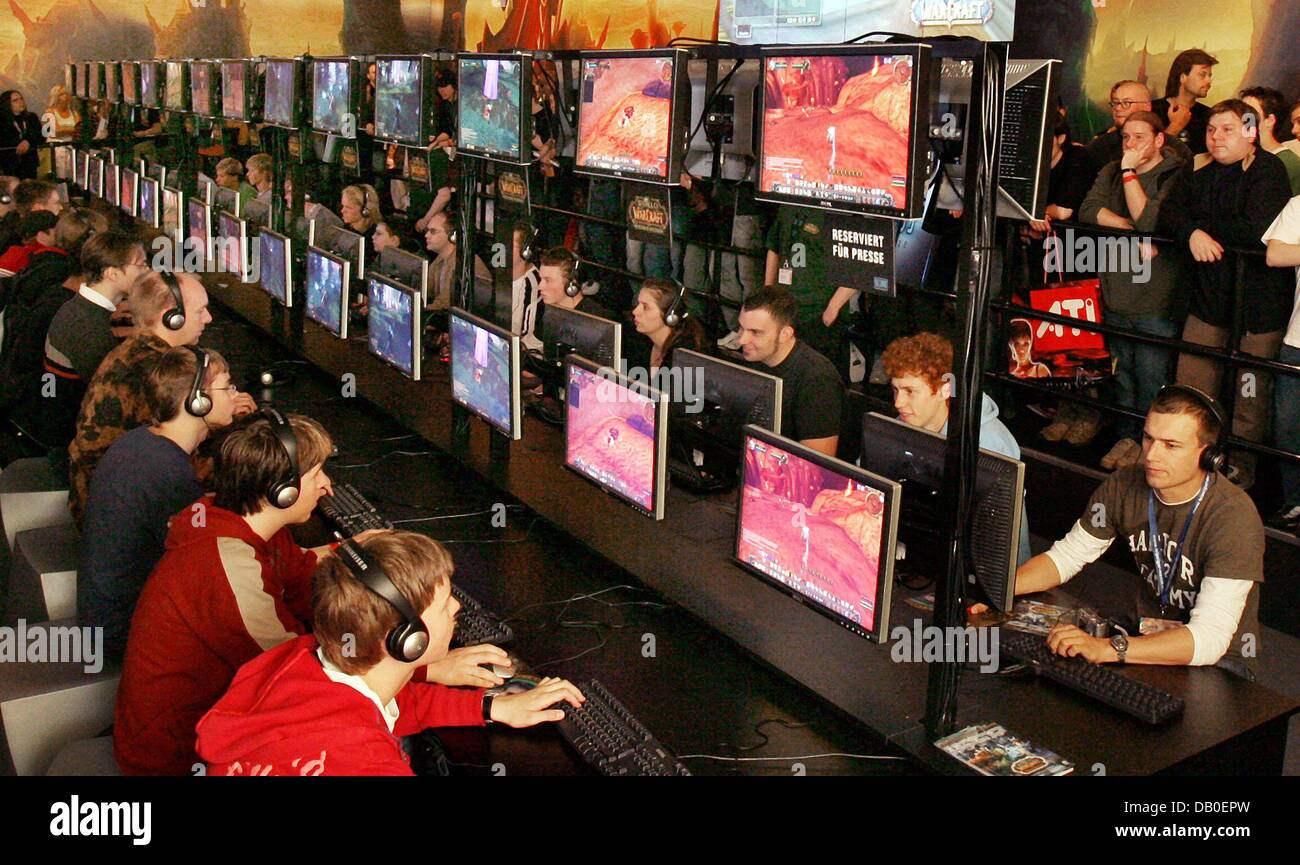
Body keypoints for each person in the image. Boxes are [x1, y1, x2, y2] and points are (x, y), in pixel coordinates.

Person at [194, 531, 585, 776]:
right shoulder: (366, 763)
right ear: (406, 639)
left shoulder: (296, 660)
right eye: (445, 602)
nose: (456, 610)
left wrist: (489, 708)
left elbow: (388, 702)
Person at [987, 387, 1263, 680]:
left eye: (1171, 445)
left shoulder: (1233, 517)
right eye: (1148, 438)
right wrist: (996, 589)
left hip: (1219, 662)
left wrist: (1109, 649)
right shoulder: (1124, 484)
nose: (1151, 456)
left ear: (1209, 457)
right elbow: (1066, 557)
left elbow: (1210, 639)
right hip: (1141, 635)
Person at [1159, 99, 1292, 490]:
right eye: (1212, 129)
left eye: (1228, 129)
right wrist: (1191, 234)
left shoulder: (1269, 170)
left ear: (1251, 133)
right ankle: (1188, 462)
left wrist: (1198, 227)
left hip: (1257, 310)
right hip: (1206, 302)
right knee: (1193, 387)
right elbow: (1169, 214)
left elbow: (1256, 229)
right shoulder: (1198, 169)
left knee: (1248, 395)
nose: (1217, 137)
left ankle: (1241, 473)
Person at [79, 346, 239, 662]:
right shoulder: (170, 474)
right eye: (227, 387)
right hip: (121, 632)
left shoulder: (141, 442)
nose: (235, 394)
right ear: (197, 401)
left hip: (100, 615)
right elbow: (202, 577)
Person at [67, 270, 245, 527]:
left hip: (105, 500)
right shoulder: (153, 373)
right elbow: (175, 465)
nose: (208, 318)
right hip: (115, 518)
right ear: (172, 318)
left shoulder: (138, 351)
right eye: (200, 311)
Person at [1079, 111, 1189, 471]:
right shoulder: (1110, 169)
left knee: (1153, 376)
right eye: (1126, 137)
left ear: (1159, 139)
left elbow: (1151, 219)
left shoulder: (1174, 172)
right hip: (1116, 289)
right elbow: (1089, 209)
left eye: (1139, 137)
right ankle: (1127, 437)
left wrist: (1130, 174)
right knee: (1122, 371)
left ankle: (1150, 449)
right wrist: (1131, 229)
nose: (1130, 145)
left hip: (1155, 296)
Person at [882, 332, 1032, 565]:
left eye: (910, 392)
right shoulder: (906, 422)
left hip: (978, 567)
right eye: (895, 390)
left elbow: (997, 533)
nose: (898, 402)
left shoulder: (989, 444)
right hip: (929, 556)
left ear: (944, 389)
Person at [33, 232, 146, 460]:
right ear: (112, 273)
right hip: (69, 442)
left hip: (57, 422)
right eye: (141, 264)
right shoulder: (88, 328)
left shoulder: (79, 309)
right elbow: (118, 399)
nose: (147, 271)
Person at [735, 286, 842, 456]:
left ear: (785, 334)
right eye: (741, 328)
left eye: (755, 332)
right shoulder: (755, 358)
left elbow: (816, 464)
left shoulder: (817, 379)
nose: (742, 339)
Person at [1263, 194, 1300, 531]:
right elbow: (1275, 254)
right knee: (1287, 428)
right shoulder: (1298, 204)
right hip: (1297, 340)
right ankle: (1295, 501)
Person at [1084, 80, 1192, 173]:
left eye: (1127, 102)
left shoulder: (1176, 149)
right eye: (1115, 103)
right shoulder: (1097, 148)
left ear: (1147, 107)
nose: (1118, 108)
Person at [626, 277, 707, 374]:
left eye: (646, 307)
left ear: (670, 316)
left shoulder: (685, 359)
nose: (635, 311)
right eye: (638, 304)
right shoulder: (637, 340)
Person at [1152, 49, 1217, 156]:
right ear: (1183, 77)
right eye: (1202, 74)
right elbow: (1146, 156)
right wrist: (1175, 126)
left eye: (1209, 76)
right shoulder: (1152, 110)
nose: (1208, 81)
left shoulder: (1209, 115)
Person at [1239, 86, 1300, 196]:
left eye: (1249, 113)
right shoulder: (1238, 154)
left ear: (1270, 120)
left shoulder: (1288, 163)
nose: (1241, 118)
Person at [0, 90, 45, 179]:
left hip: (29, 163)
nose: (20, 102)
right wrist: (18, 143)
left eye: (21, 99)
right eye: (15, 100)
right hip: (9, 164)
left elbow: (40, 136)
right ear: (7, 103)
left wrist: (28, 141)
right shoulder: (2, 121)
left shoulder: (31, 117)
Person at [423, 209, 459, 311]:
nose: (426, 235)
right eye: (427, 230)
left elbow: (444, 304)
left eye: (433, 232)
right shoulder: (440, 258)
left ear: (453, 236)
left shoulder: (460, 264)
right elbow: (426, 290)